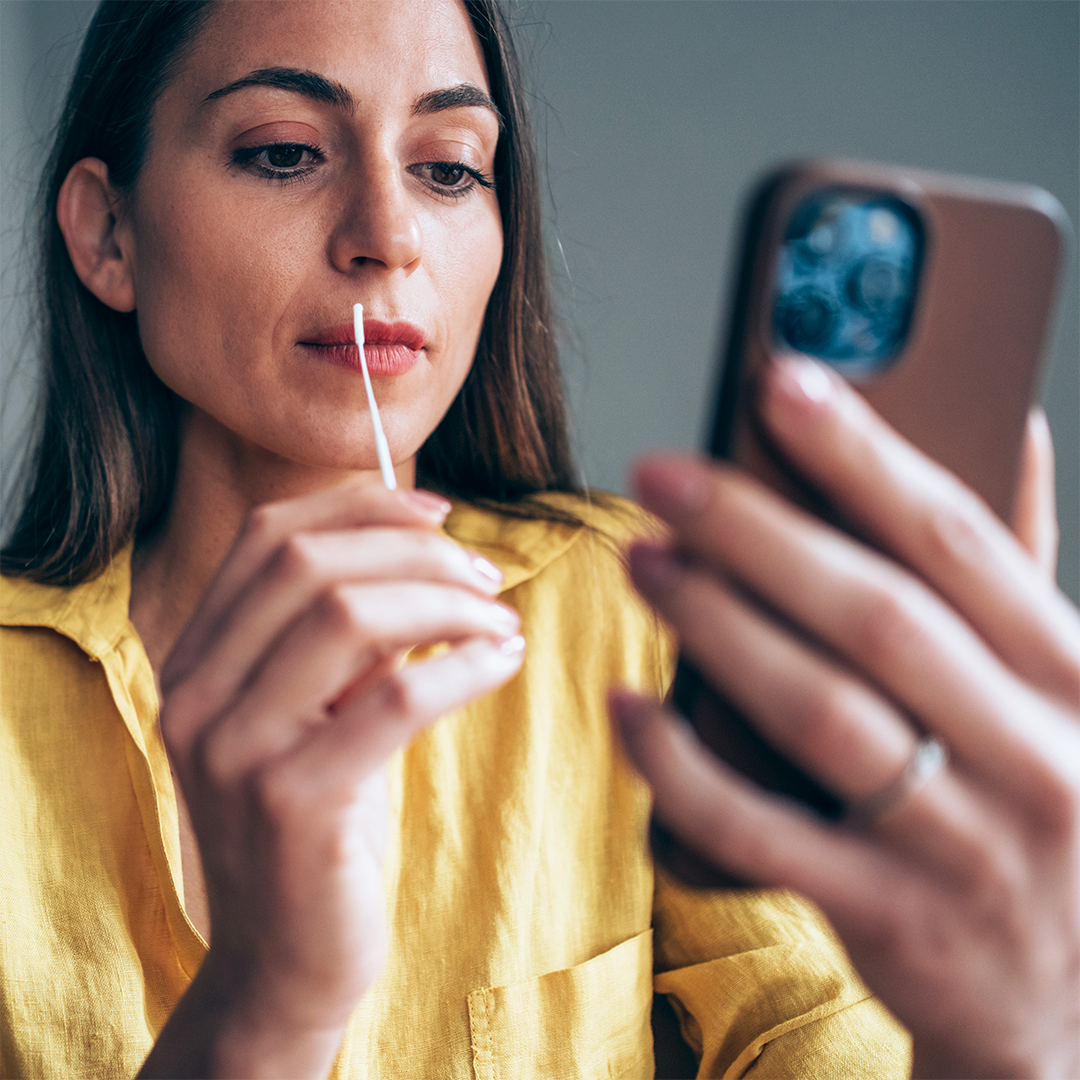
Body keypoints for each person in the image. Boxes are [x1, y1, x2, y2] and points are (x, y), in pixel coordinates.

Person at [0, 1, 1074, 1079]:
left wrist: (1015, 1036)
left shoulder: (643, 611)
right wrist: (262, 1006)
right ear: (108, 234)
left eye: (450, 169)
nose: (390, 232)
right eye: (283, 153)